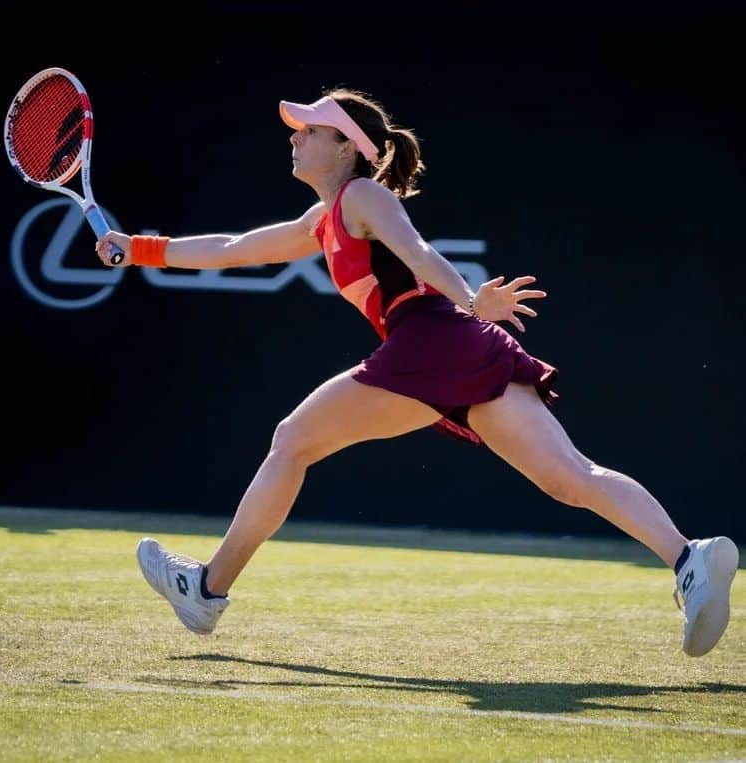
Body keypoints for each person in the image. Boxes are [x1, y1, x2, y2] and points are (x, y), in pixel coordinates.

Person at [96, 87, 738, 656]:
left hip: (433, 339)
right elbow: (235, 250)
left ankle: (207, 591)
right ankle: (690, 559)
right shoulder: (323, 220)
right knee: (572, 478)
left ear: (347, 147)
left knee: (291, 442)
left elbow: (418, 251)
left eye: (311, 130)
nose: (296, 137)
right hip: (464, 349)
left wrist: (468, 299)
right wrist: (139, 250)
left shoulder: (364, 195)